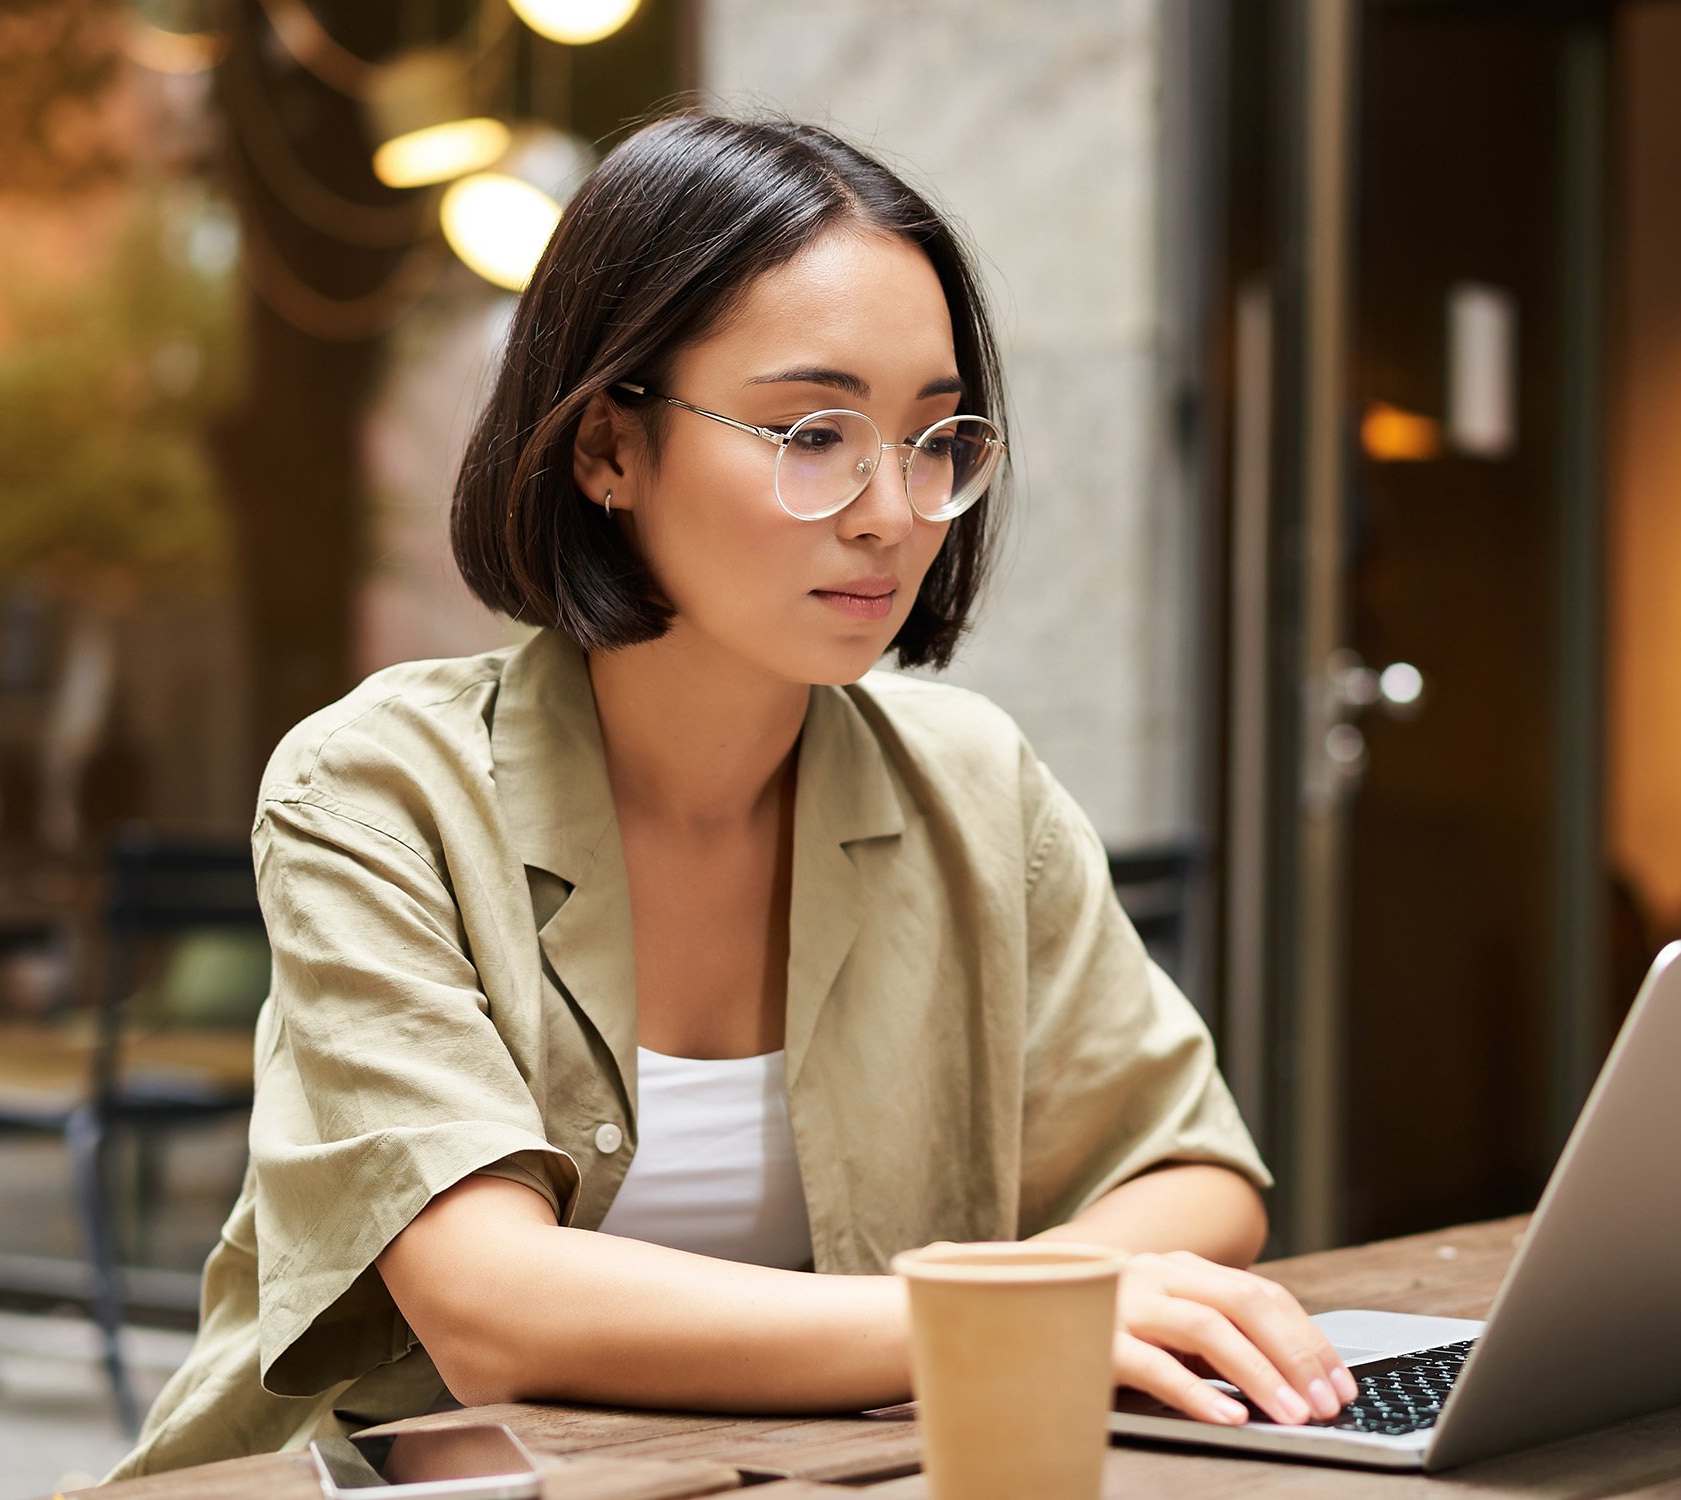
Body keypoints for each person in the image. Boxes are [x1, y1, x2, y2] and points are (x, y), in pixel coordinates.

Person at [114, 110, 1357, 1476]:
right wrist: (1000, 1319)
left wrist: (1026, 1313)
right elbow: (491, 1308)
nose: (891, 508)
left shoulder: (969, 779)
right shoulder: (376, 790)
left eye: (935, 437)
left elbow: (1189, 1174)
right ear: (606, 450)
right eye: (810, 431)